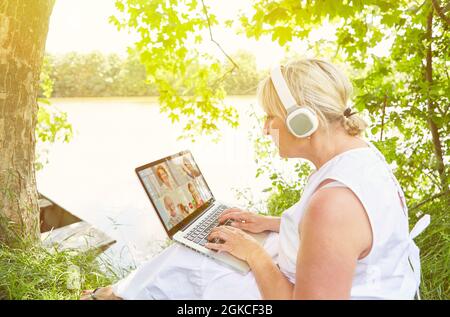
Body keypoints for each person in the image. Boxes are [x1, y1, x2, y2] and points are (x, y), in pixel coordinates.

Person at [81, 58, 428, 300]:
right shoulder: (360, 157)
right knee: (201, 250)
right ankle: (119, 293)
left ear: (302, 122)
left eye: (270, 117)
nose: (264, 129)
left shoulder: (335, 204)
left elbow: (333, 226)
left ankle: (115, 295)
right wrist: (269, 223)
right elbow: (347, 237)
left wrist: (253, 254)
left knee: (195, 265)